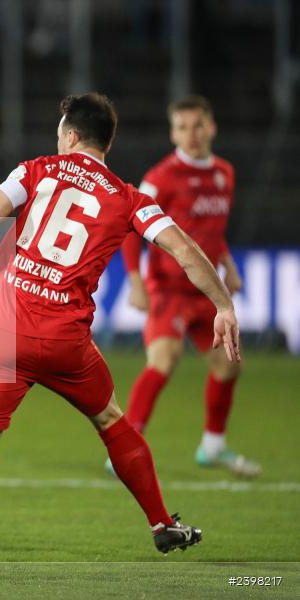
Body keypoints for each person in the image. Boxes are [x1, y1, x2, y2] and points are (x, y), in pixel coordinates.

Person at [0, 93, 241, 554]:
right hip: (68, 342)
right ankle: (161, 523)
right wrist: (223, 305)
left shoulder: (35, 170)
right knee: (113, 422)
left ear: (71, 135)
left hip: (8, 329)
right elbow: (183, 249)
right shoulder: (127, 196)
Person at [114, 96, 259, 478]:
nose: (191, 135)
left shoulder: (224, 173)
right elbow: (131, 228)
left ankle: (213, 448)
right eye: (182, 127)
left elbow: (211, 232)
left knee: (229, 367)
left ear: (211, 127)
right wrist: (135, 281)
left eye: (197, 125)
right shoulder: (160, 178)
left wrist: (227, 266)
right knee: (163, 360)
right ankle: (125, 450)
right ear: (172, 132)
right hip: (169, 289)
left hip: (205, 293)